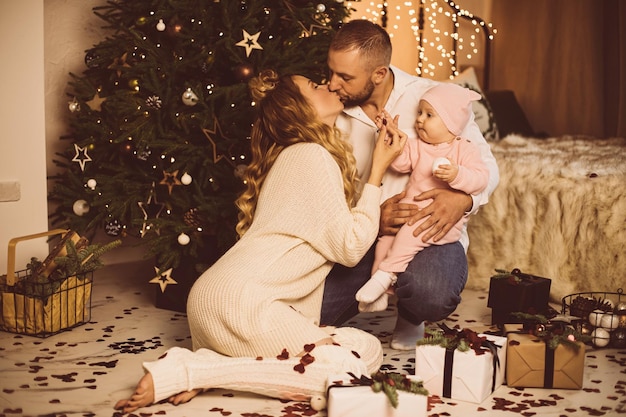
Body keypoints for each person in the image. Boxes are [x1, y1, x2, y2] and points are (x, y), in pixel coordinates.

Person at [114, 69, 406, 413]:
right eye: (314, 86)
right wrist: (377, 170)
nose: (328, 85)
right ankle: (198, 371)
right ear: (297, 109)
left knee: (348, 346)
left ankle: (209, 366)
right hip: (246, 305)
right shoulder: (312, 155)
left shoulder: (290, 158)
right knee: (356, 360)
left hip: (213, 300)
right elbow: (352, 247)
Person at [321, 19, 499, 350]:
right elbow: (324, 193)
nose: (332, 84)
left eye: (344, 77)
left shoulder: (433, 99)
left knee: (431, 292)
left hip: (426, 233)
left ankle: (411, 313)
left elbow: (487, 167)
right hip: (361, 236)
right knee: (315, 311)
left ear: (378, 74)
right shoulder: (330, 109)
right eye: (331, 72)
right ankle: (376, 286)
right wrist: (371, 219)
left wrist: (464, 201)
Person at [355, 84, 490, 313]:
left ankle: (386, 274)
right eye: (419, 113)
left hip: (438, 222)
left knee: (410, 232)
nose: (419, 120)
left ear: (451, 122)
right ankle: (382, 292)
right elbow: (399, 163)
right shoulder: (419, 146)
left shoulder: (462, 150)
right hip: (411, 213)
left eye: (429, 115)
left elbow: (481, 178)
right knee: (385, 242)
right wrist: (387, 136)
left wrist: (457, 174)